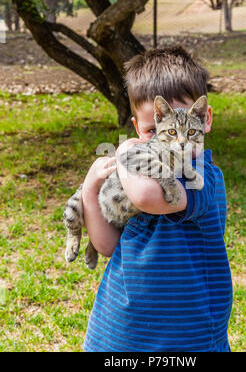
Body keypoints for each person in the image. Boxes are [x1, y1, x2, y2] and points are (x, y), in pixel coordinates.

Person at [82, 46, 233, 352]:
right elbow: (106, 245)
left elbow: (147, 197)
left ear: (204, 119)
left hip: (187, 336)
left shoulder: (202, 176)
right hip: (119, 334)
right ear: (138, 128)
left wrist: (125, 152)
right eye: (154, 130)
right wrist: (89, 188)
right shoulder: (137, 176)